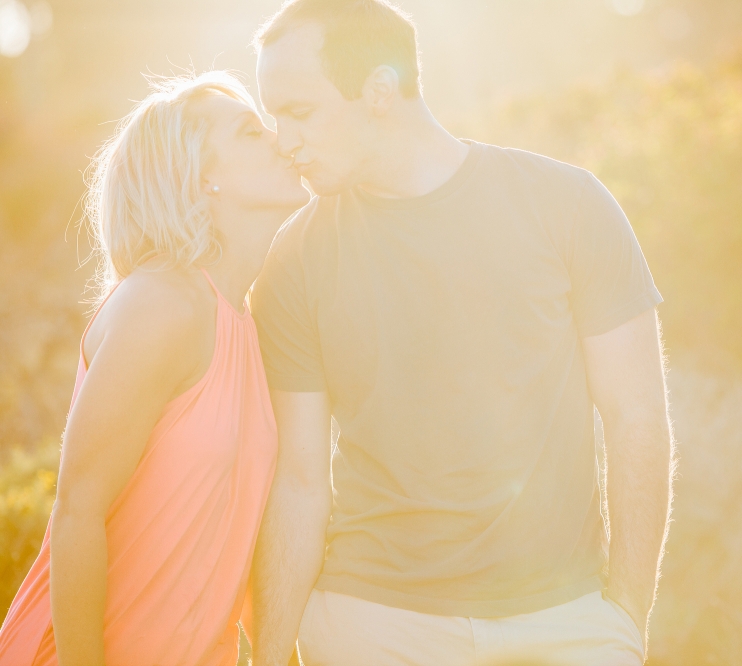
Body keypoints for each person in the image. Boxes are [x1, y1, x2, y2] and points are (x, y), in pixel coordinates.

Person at [249, 1, 675, 664]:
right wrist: (272, 657)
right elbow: (301, 481)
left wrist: (623, 615)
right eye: (272, 116)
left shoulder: (568, 204)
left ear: (380, 91)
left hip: (566, 621)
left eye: (297, 111)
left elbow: (636, 415)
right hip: (374, 622)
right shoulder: (293, 260)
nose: (282, 139)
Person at [0, 72, 309, 666]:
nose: (278, 138)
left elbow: (230, 525)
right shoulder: (162, 303)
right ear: (201, 177)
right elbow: (77, 512)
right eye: (251, 130)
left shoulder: (246, 321)